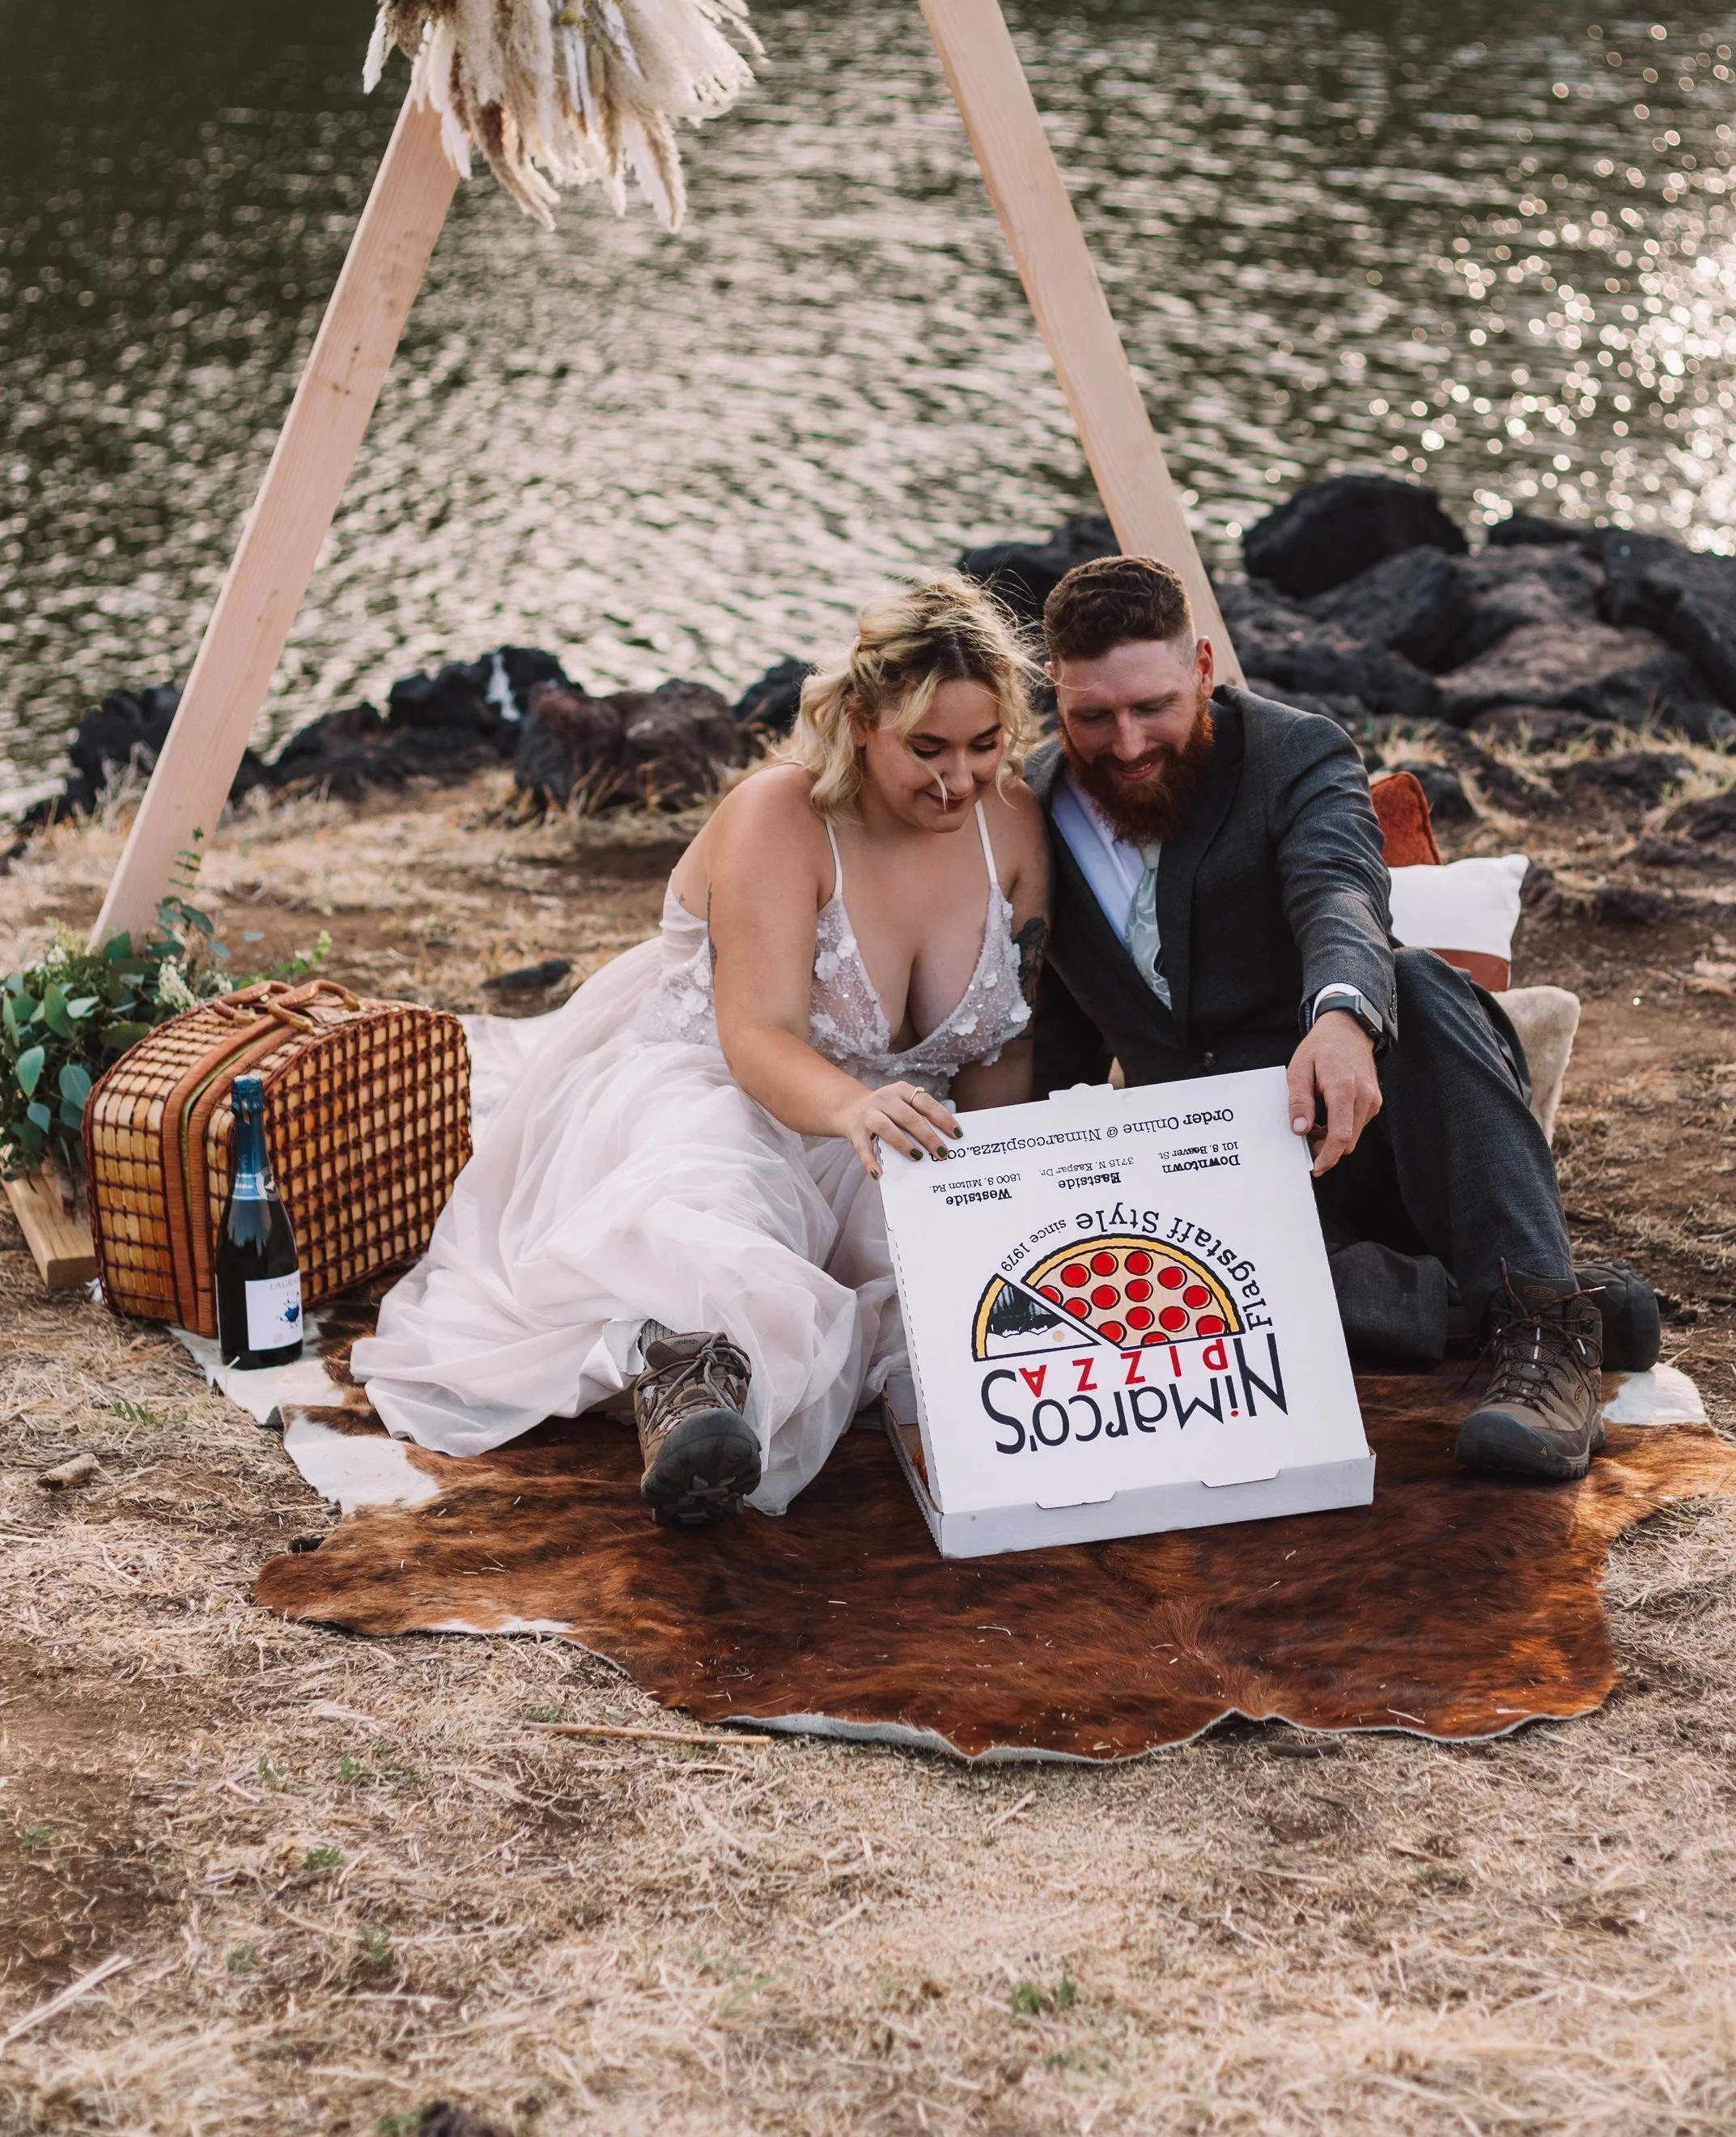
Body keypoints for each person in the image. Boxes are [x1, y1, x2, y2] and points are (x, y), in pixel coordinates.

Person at [354, 580, 1051, 1526]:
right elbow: (756, 1033)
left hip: (888, 1121)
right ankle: (689, 1383)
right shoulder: (780, 814)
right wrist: (849, 1108)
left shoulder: (1008, 821)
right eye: (925, 749)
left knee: (945, 1273)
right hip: (718, 1078)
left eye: (983, 745)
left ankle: (773, 1378)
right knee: (714, 1192)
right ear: (860, 717)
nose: (956, 780)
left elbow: (1002, 1041)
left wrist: (989, 1189)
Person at [1025, 554, 1658, 1485]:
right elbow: (1056, 1044)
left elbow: (1341, 898)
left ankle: (1546, 1347)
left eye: (1152, 706)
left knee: (1416, 983)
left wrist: (1343, 1015)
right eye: (1094, 716)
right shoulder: (1029, 806)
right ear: (1056, 694)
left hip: (1377, 1135)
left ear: (1201, 666)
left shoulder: (1298, 753)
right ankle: (1527, 1292)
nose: (1125, 744)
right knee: (1181, 1320)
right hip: (1218, 1191)